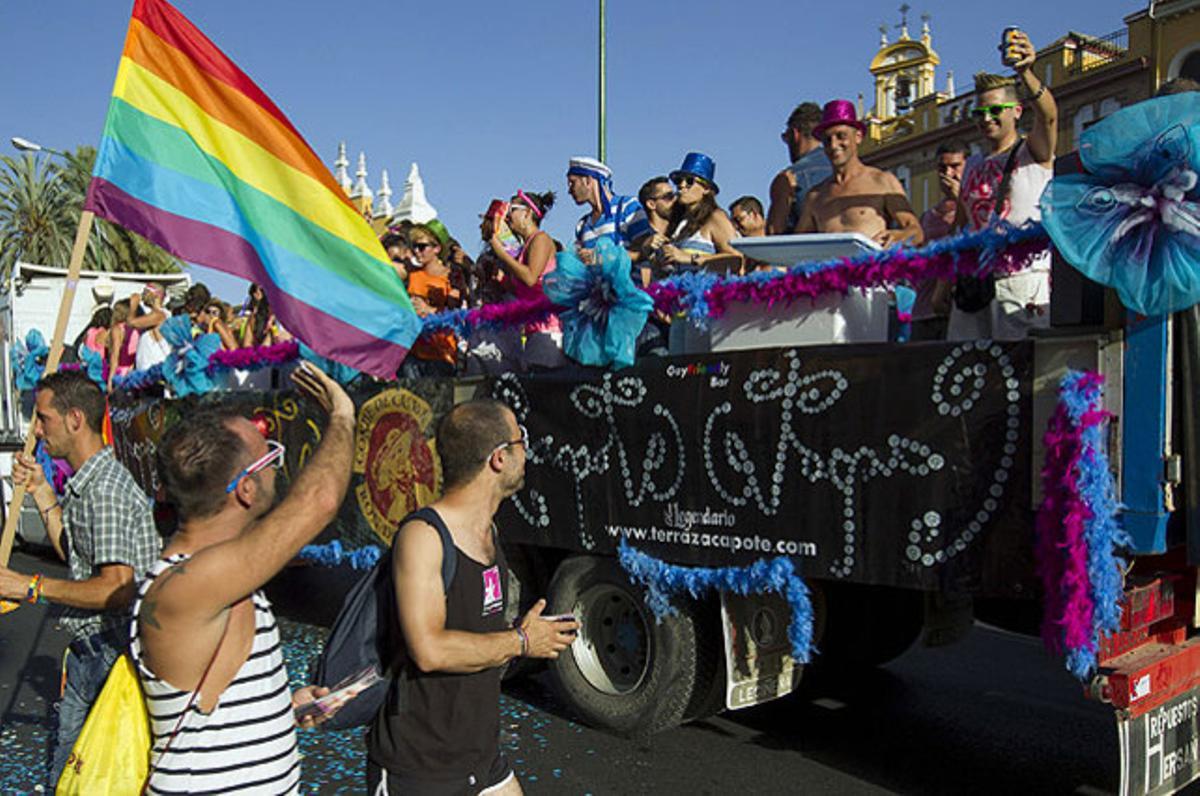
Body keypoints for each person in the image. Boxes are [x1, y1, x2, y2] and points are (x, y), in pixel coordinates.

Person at [131, 363, 353, 793]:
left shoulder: (223, 574)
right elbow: (319, 501)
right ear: (245, 489)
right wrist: (342, 416)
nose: (278, 468)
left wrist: (282, 709)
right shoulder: (186, 582)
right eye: (270, 456)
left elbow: (210, 708)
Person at [367, 399, 578, 794]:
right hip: (421, 768)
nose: (526, 452)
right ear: (498, 458)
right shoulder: (424, 537)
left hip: (479, 756)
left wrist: (523, 632)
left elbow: (470, 629)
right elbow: (429, 649)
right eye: (521, 440)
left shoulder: (487, 531)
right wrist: (521, 642)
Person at [0, 371, 160, 786]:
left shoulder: (106, 488)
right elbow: (76, 555)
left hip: (111, 654)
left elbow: (116, 587)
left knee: (84, 780)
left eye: (42, 418)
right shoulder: (88, 484)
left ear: (75, 419)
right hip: (94, 653)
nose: (36, 429)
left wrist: (29, 586)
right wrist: (39, 489)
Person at [947, 29, 1058, 342]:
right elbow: (961, 224)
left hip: (1021, 279)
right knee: (969, 367)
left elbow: (1049, 116)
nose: (987, 118)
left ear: (1016, 111)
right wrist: (947, 281)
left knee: (1020, 369)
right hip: (975, 282)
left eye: (995, 110)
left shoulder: (1031, 152)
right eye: (980, 112)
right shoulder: (971, 164)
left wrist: (1025, 72)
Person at [795, 100, 924, 248]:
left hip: (872, 269)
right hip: (832, 270)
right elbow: (799, 245)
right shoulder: (815, 196)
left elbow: (916, 232)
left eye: (841, 136)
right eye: (827, 140)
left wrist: (898, 236)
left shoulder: (882, 181)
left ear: (858, 137)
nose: (833, 145)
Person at [489, 190, 568, 371]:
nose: (507, 217)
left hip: (549, 330)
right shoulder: (526, 245)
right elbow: (526, 289)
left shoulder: (541, 239)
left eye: (511, 210)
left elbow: (531, 277)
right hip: (534, 330)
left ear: (527, 213)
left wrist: (501, 252)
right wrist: (503, 280)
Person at [916, 140, 969, 341]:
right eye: (942, 167)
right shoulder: (928, 216)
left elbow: (963, 242)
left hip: (955, 309)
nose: (948, 173)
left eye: (955, 166)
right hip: (922, 310)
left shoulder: (976, 209)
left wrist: (961, 200)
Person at [653, 153, 742, 273]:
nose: (682, 185)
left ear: (706, 189)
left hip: (705, 290)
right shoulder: (678, 222)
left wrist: (690, 258)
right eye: (678, 181)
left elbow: (736, 260)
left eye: (690, 181)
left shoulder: (715, 217)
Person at [566, 156, 652, 264]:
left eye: (572, 182)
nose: (569, 190)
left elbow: (645, 252)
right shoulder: (582, 225)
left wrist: (601, 258)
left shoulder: (628, 207)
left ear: (587, 181)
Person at [402, 223, 460, 378]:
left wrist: (430, 311)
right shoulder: (411, 275)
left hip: (441, 353)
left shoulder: (451, 277)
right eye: (414, 246)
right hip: (413, 353)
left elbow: (458, 315)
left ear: (437, 249)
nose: (416, 251)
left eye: (421, 247)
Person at [767, 102, 831, 235]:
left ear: (795, 134)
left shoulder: (788, 177)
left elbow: (774, 232)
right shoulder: (849, 171)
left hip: (808, 253)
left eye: (786, 137)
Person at [134, 283, 171, 371]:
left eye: (146, 292)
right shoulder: (153, 314)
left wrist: (133, 304)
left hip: (153, 370)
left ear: (156, 295)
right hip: (146, 371)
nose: (143, 295)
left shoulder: (159, 314)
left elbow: (133, 323)